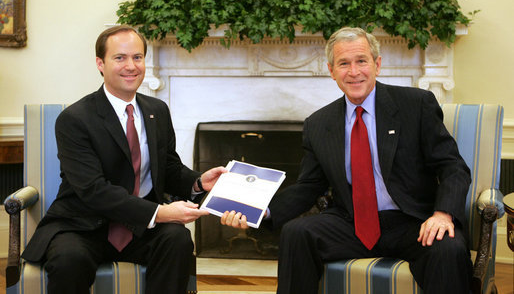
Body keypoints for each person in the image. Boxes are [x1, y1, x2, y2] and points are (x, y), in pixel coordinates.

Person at [221, 26, 473, 294]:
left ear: (377, 64)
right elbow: (308, 187)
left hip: (413, 221)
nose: (354, 72)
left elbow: (452, 167)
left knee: (448, 248)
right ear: (332, 71)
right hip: (353, 223)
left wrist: (442, 214)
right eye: (344, 64)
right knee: (297, 233)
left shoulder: (416, 104)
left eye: (361, 61)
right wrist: (260, 211)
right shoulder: (319, 124)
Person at [21, 25, 227, 293]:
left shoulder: (157, 110)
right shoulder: (75, 119)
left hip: (139, 226)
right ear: (100, 64)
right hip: (83, 225)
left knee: (178, 240)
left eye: (137, 57)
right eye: (120, 58)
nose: (131, 66)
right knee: (68, 259)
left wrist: (199, 182)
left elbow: (168, 167)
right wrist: (160, 212)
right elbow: (93, 190)